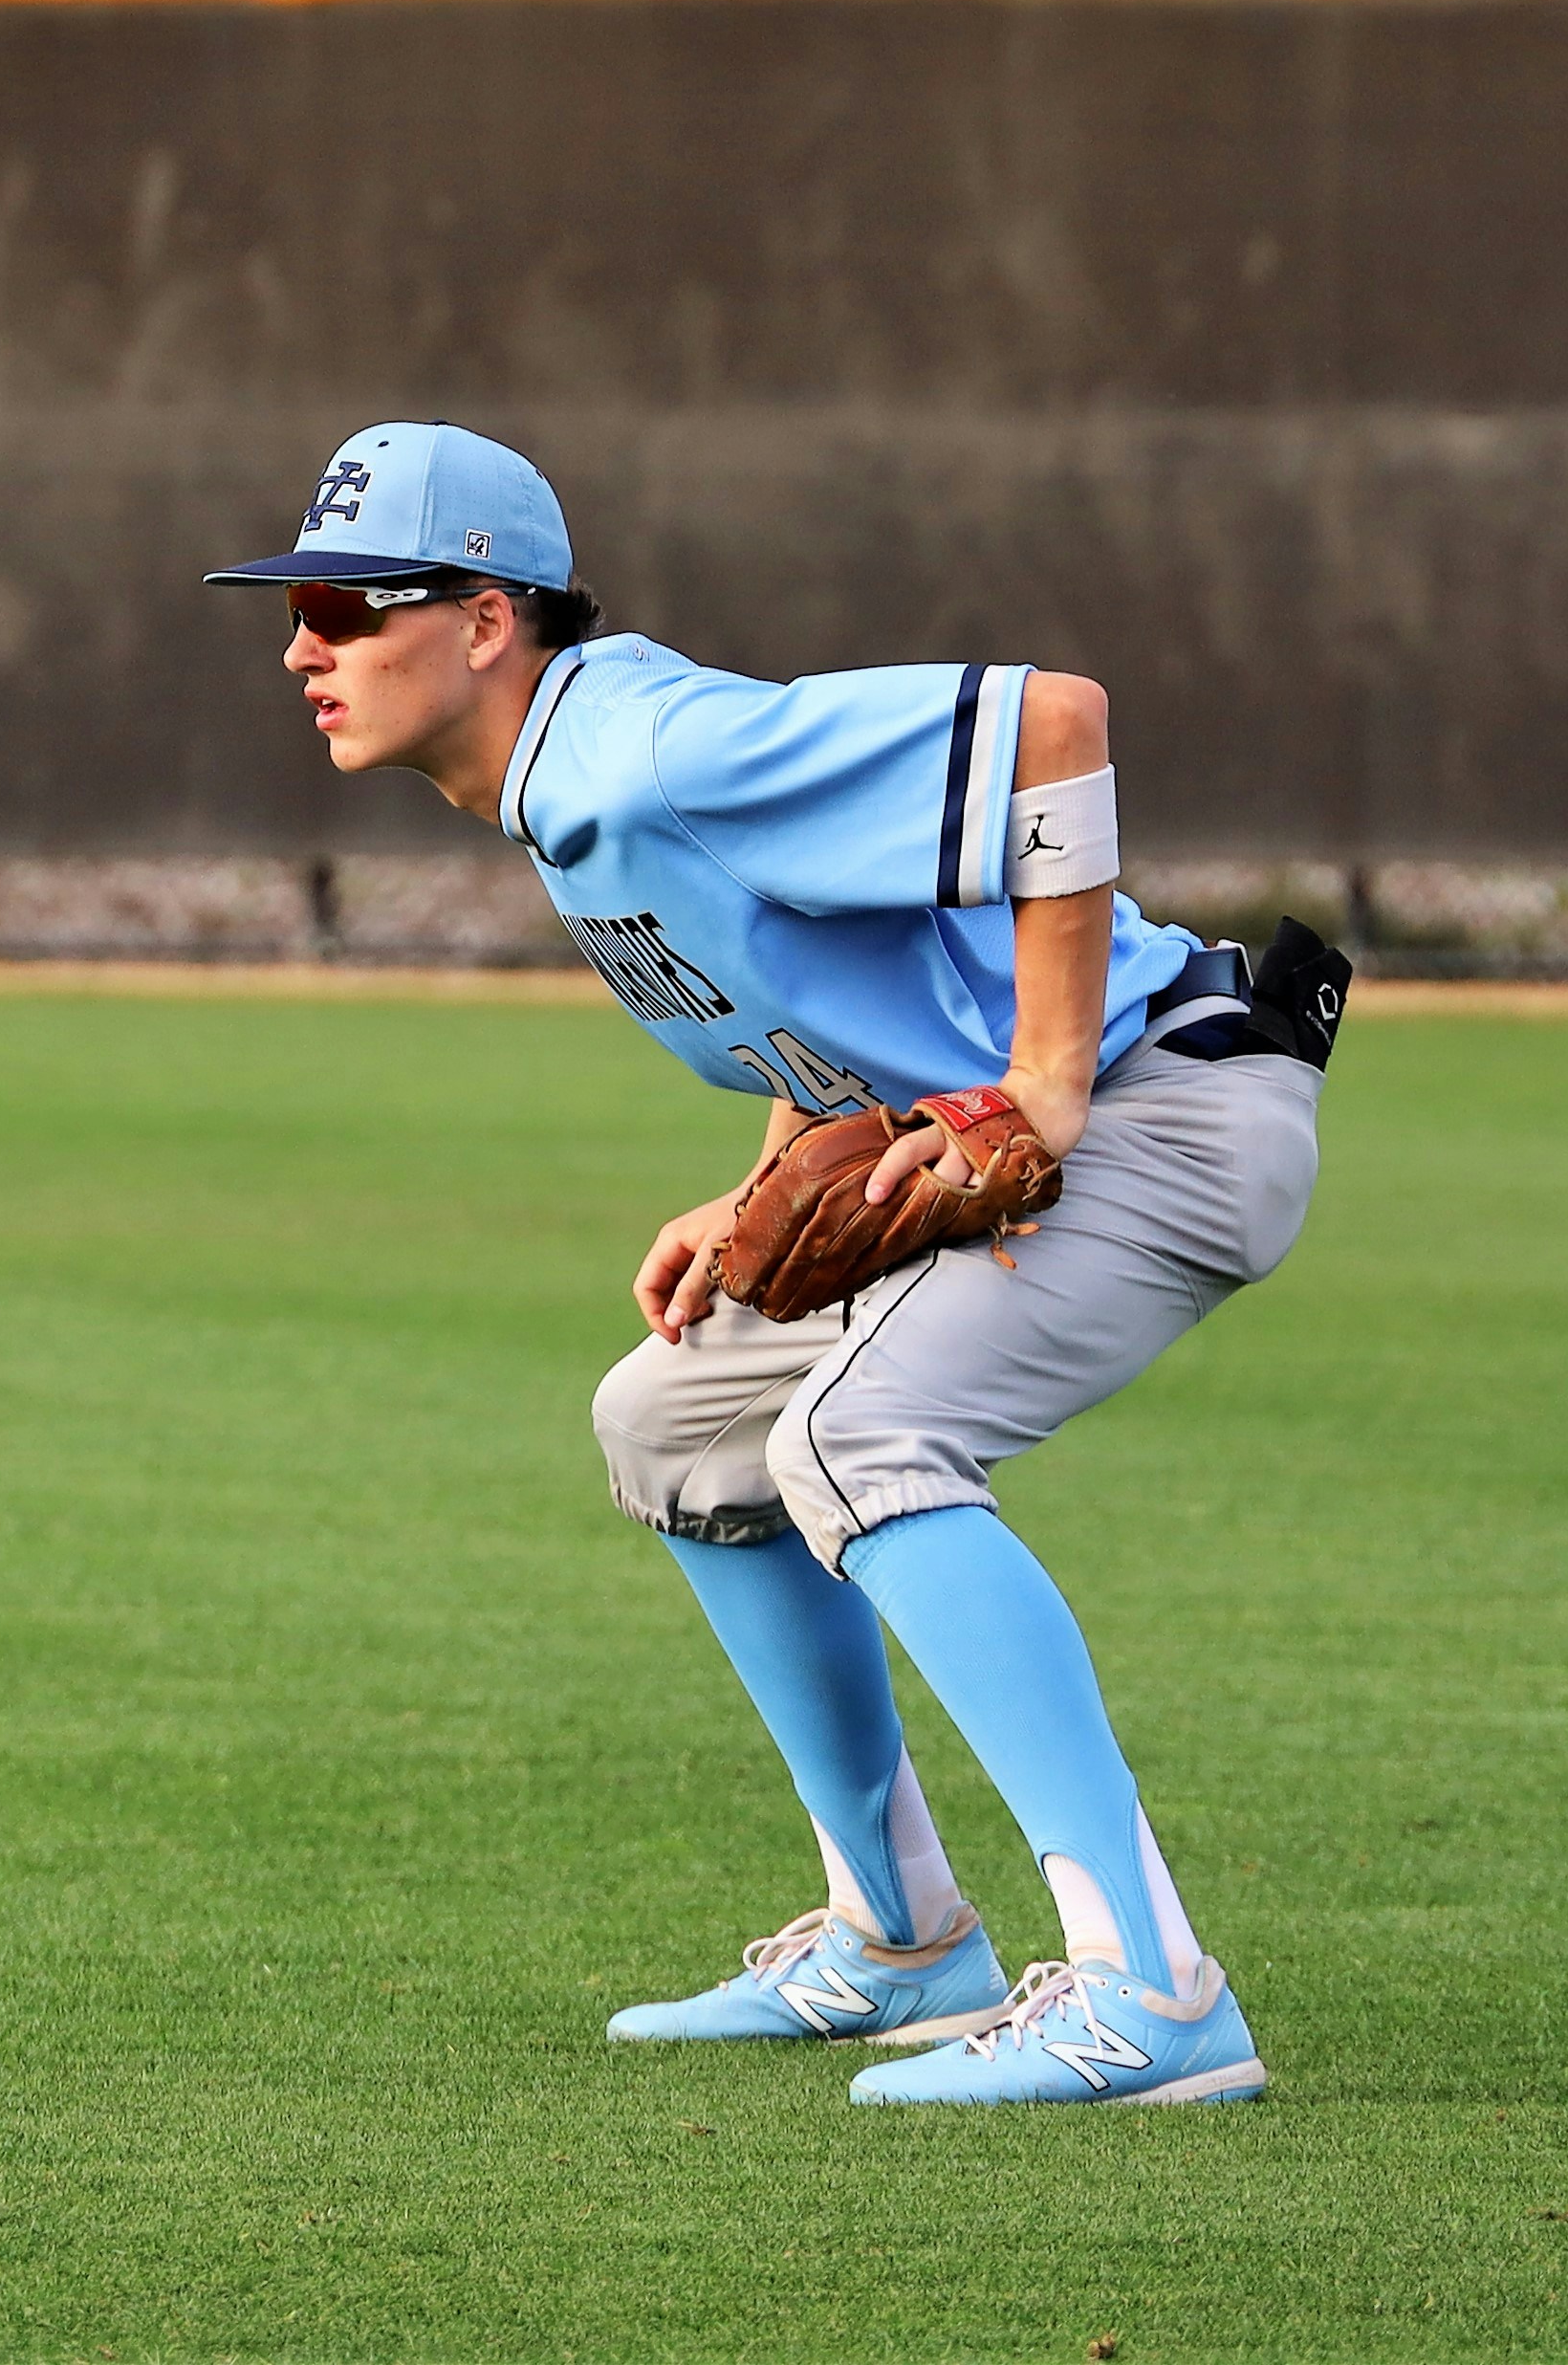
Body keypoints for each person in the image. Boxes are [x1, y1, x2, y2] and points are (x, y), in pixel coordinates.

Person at [205, 422, 1341, 2106]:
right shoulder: (560, 788)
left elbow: (1055, 723)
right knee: (673, 1425)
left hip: (1171, 1104)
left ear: (487, 620)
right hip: (1086, 1109)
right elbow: (836, 999)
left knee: (854, 1437)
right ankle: (901, 1940)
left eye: (351, 603)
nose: (305, 643)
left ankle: (1157, 1994)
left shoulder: (648, 749)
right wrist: (752, 1193)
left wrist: (1042, 1078)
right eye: (294, 605)